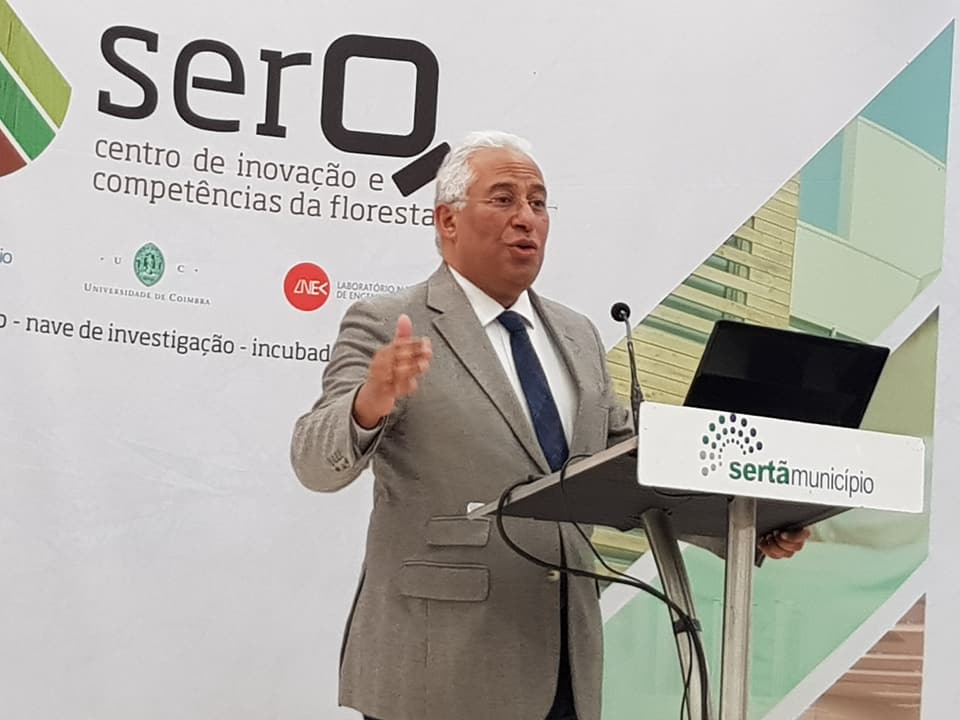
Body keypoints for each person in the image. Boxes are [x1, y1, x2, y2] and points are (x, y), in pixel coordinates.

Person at [290, 131, 809, 720]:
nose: (526, 218)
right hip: (439, 665)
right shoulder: (388, 322)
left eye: (538, 203)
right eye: (504, 199)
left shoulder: (577, 334)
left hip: (563, 656)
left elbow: (628, 465)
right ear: (447, 220)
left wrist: (743, 525)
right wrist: (370, 401)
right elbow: (313, 461)